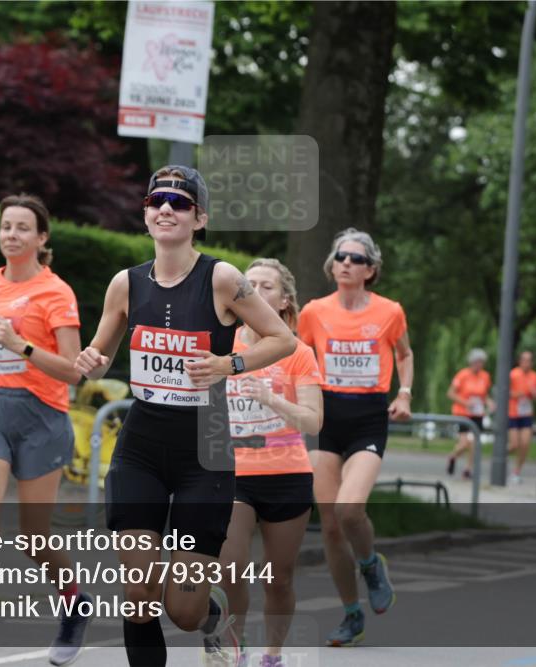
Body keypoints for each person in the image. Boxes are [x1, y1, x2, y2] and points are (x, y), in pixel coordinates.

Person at [73, 166, 296, 667]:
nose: (166, 209)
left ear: (200, 218)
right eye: (157, 201)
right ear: (146, 215)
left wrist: (228, 363)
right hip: (142, 445)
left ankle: (210, 617)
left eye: (180, 202)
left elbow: (285, 339)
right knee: (138, 598)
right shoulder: (124, 284)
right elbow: (100, 354)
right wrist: (90, 360)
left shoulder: (222, 279)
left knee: (182, 611)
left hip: (205, 448)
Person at [0, 194, 88, 667]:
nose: (12, 234)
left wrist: (23, 345)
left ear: (42, 237)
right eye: (6, 226)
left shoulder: (56, 292)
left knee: (34, 537)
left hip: (42, 419)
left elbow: (73, 371)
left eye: (23, 228)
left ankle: (75, 602)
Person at [298, 228, 413, 647]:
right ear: (332, 265)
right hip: (327, 417)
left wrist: (404, 392)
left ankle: (370, 563)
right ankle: (351, 614)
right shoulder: (313, 311)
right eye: (341, 256)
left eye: (357, 258)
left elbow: (404, 353)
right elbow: (298, 357)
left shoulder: (389, 312)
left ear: (371, 270)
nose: (347, 262)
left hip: (368, 418)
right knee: (329, 526)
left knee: (349, 509)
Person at [217, 259, 322, 667]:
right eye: (249, 284)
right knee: (231, 567)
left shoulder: (298, 352)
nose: (255, 292)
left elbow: (314, 420)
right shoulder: (223, 347)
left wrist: (273, 398)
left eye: (266, 286)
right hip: (234, 477)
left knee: (279, 579)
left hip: (287, 476)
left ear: (283, 301)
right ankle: (234, 647)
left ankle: (272, 655)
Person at [446, 348, 493, 480]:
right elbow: (450, 393)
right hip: (463, 413)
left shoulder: (485, 376)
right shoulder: (462, 375)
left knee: (474, 443)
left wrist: (489, 402)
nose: (480, 365)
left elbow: (485, 395)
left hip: (478, 414)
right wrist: (466, 403)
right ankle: (453, 456)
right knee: (464, 443)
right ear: (472, 362)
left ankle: (468, 469)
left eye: (482, 362)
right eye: (477, 362)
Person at [506, 350, 536, 484]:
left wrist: (534, 394)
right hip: (514, 412)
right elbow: (505, 392)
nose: (526, 363)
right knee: (514, 444)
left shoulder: (535, 376)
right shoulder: (513, 374)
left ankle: (516, 471)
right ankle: (501, 457)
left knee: (525, 444)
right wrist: (517, 394)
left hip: (526, 413)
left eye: (529, 360)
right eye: (524, 360)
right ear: (520, 361)